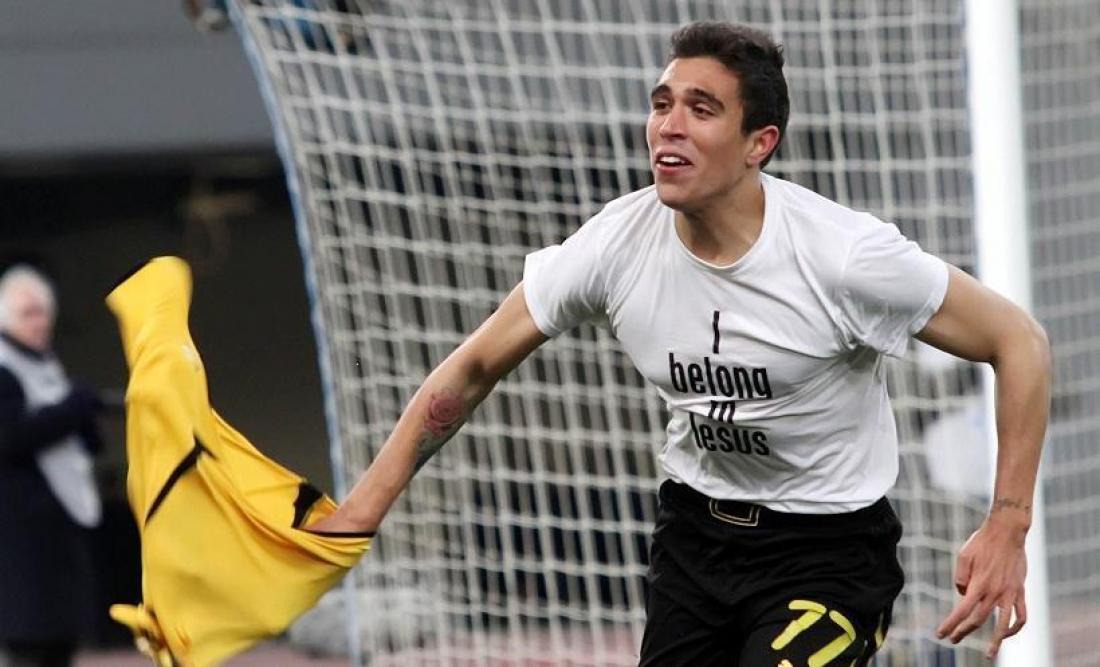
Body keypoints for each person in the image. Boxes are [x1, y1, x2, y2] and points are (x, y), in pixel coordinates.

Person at [308, 21, 1050, 665]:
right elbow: (472, 367)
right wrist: (360, 511)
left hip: (826, 556)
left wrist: (1008, 524)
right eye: (662, 104)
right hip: (694, 542)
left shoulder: (845, 257)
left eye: (702, 108)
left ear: (760, 143)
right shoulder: (614, 244)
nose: (669, 125)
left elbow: (1019, 341)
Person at [0, 266, 103, 667]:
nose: (40, 322)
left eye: (43, 311)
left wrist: (82, 419)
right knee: (29, 648)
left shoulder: (45, 365)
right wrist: (75, 406)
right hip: (20, 538)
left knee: (59, 645)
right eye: (28, 313)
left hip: (56, 532)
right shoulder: (5, 368)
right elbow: (10, 436)